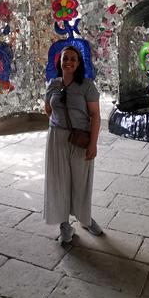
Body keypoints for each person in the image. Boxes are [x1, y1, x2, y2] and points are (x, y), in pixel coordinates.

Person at [44, 45, 103, 245]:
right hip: (57, 139)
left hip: (80, 138)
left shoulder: (87, 86)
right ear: (59, 62)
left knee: (81, 181)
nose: (68, 62)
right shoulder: (52, 84)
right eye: (65, 58)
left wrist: (93, 144)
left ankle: (85, 219)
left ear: (78, 64)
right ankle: (64, 225)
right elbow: (47, 109)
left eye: (73, 59)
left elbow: (95, 116)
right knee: (59, 182)